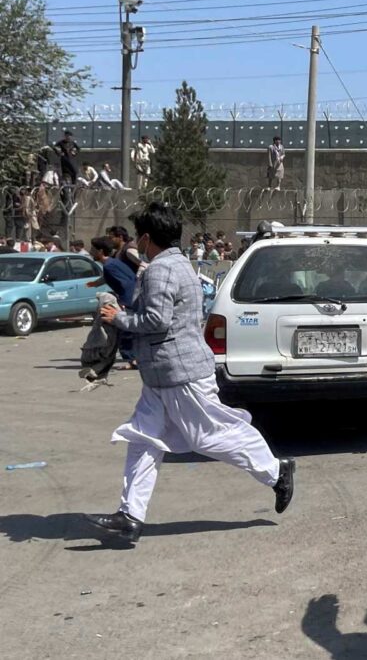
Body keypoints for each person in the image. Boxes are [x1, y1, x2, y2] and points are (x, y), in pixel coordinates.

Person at [84, 203, 295, 545]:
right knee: (142, 440)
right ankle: (130, 516)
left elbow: (157, 321)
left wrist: (117, 319)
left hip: (179, 372)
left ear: (148, 238)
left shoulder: (161, 270)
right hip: (161, 375)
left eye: (139, 237)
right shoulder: (176, 265)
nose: (137, 243)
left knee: (208, 436)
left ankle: (276, 471)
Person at [86, 236, 138, 367]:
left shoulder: (110, 266)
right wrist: (94, 284)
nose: (90, 252)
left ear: (101, 251)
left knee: (124, 330)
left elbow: (126, 283)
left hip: (129, 300)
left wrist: (123, 303)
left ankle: (132, 360)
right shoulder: (113, 263)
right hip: (132, 298)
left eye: (93, 249)